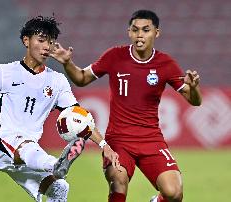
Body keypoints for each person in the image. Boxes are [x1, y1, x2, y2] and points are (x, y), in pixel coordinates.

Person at [0, 15, 120, 202]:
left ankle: (56, 167)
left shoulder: (57, 81)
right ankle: (55, 164)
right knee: (30, 150)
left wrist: (104, 145)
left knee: (59, 188)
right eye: (41, 40)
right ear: (26, 41)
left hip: (31, 151)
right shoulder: (3, 72)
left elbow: (80, 117)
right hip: (3, 144)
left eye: (51, 42)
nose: (46, 47)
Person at [51, 10, 202, 202]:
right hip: (119, 140)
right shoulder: (115, 56)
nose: (140, 35)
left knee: (174, 193)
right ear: (129, 32)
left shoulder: (166, 64)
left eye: (146, 30)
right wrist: (67, 63)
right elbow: (81, 78)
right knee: (118, 179)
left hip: (151, 139)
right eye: (135, 30)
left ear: (156, 33)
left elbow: (195, 101)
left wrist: (194, 88)